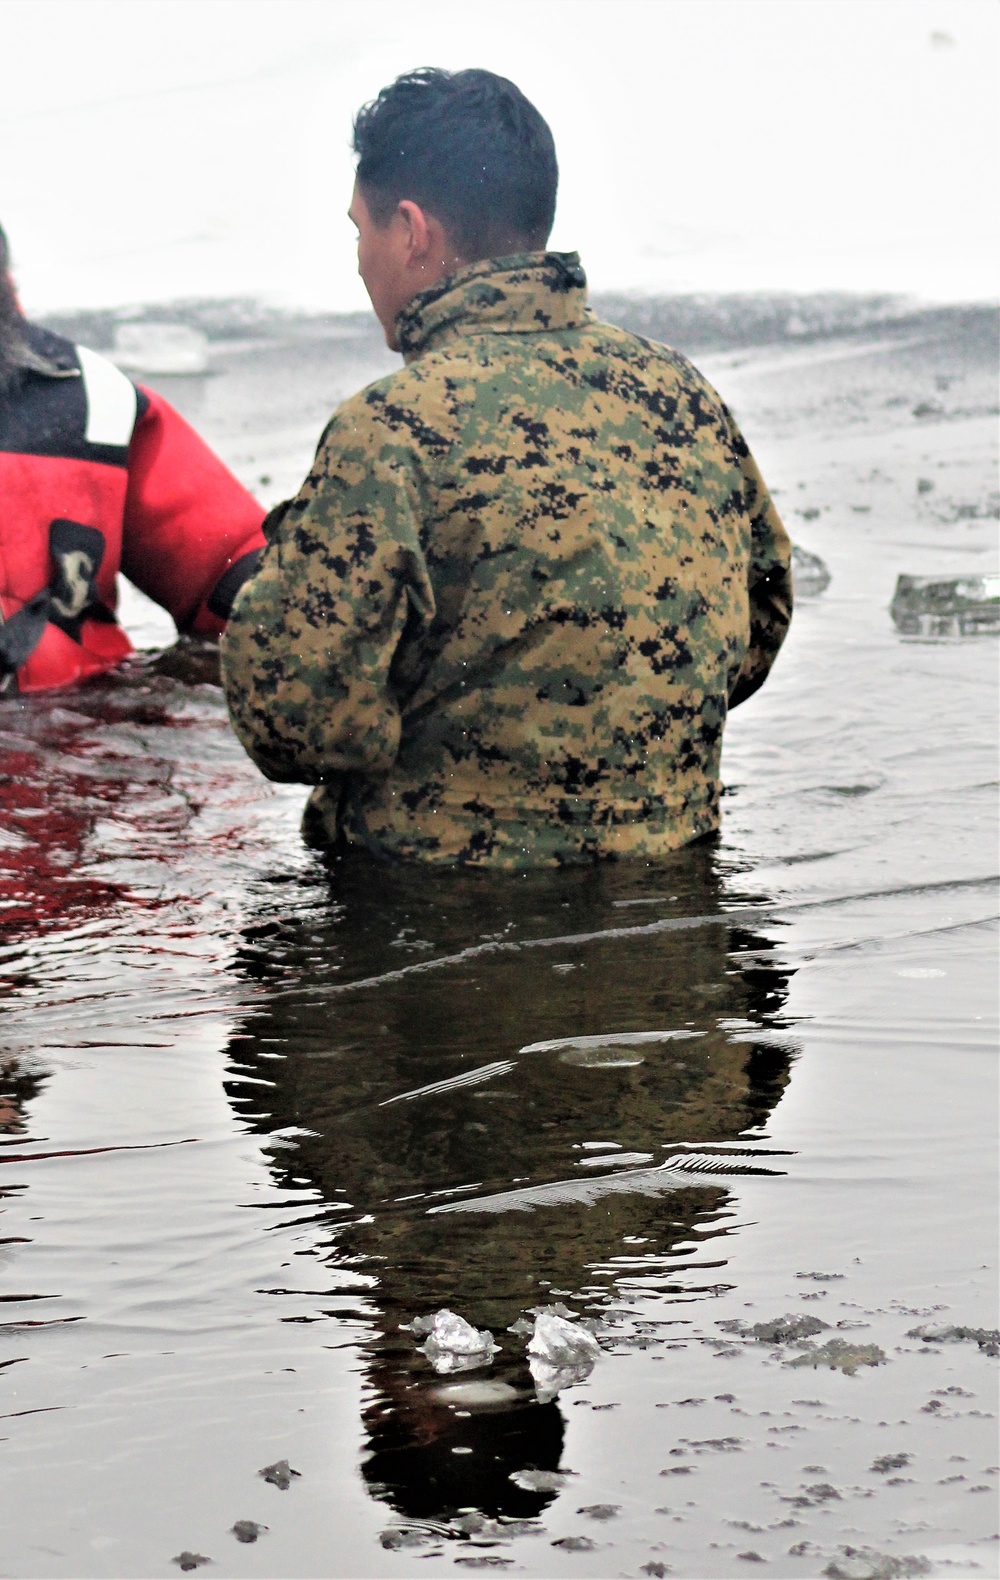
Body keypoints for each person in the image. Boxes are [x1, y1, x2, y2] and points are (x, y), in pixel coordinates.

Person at [221, 68, 792, 868]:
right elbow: (760, 621)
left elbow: (293, 720)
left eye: (361, 231)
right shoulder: (682, 394)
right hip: (674, 914)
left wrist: (270, 599)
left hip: (442, 925)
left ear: (413, 231)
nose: (358, 261)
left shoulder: (392, 428)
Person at [0, 222, 265, 694]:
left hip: (77, 739)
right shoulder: (89, 399)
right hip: (79, 741)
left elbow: (239, 572)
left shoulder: (92, 404)